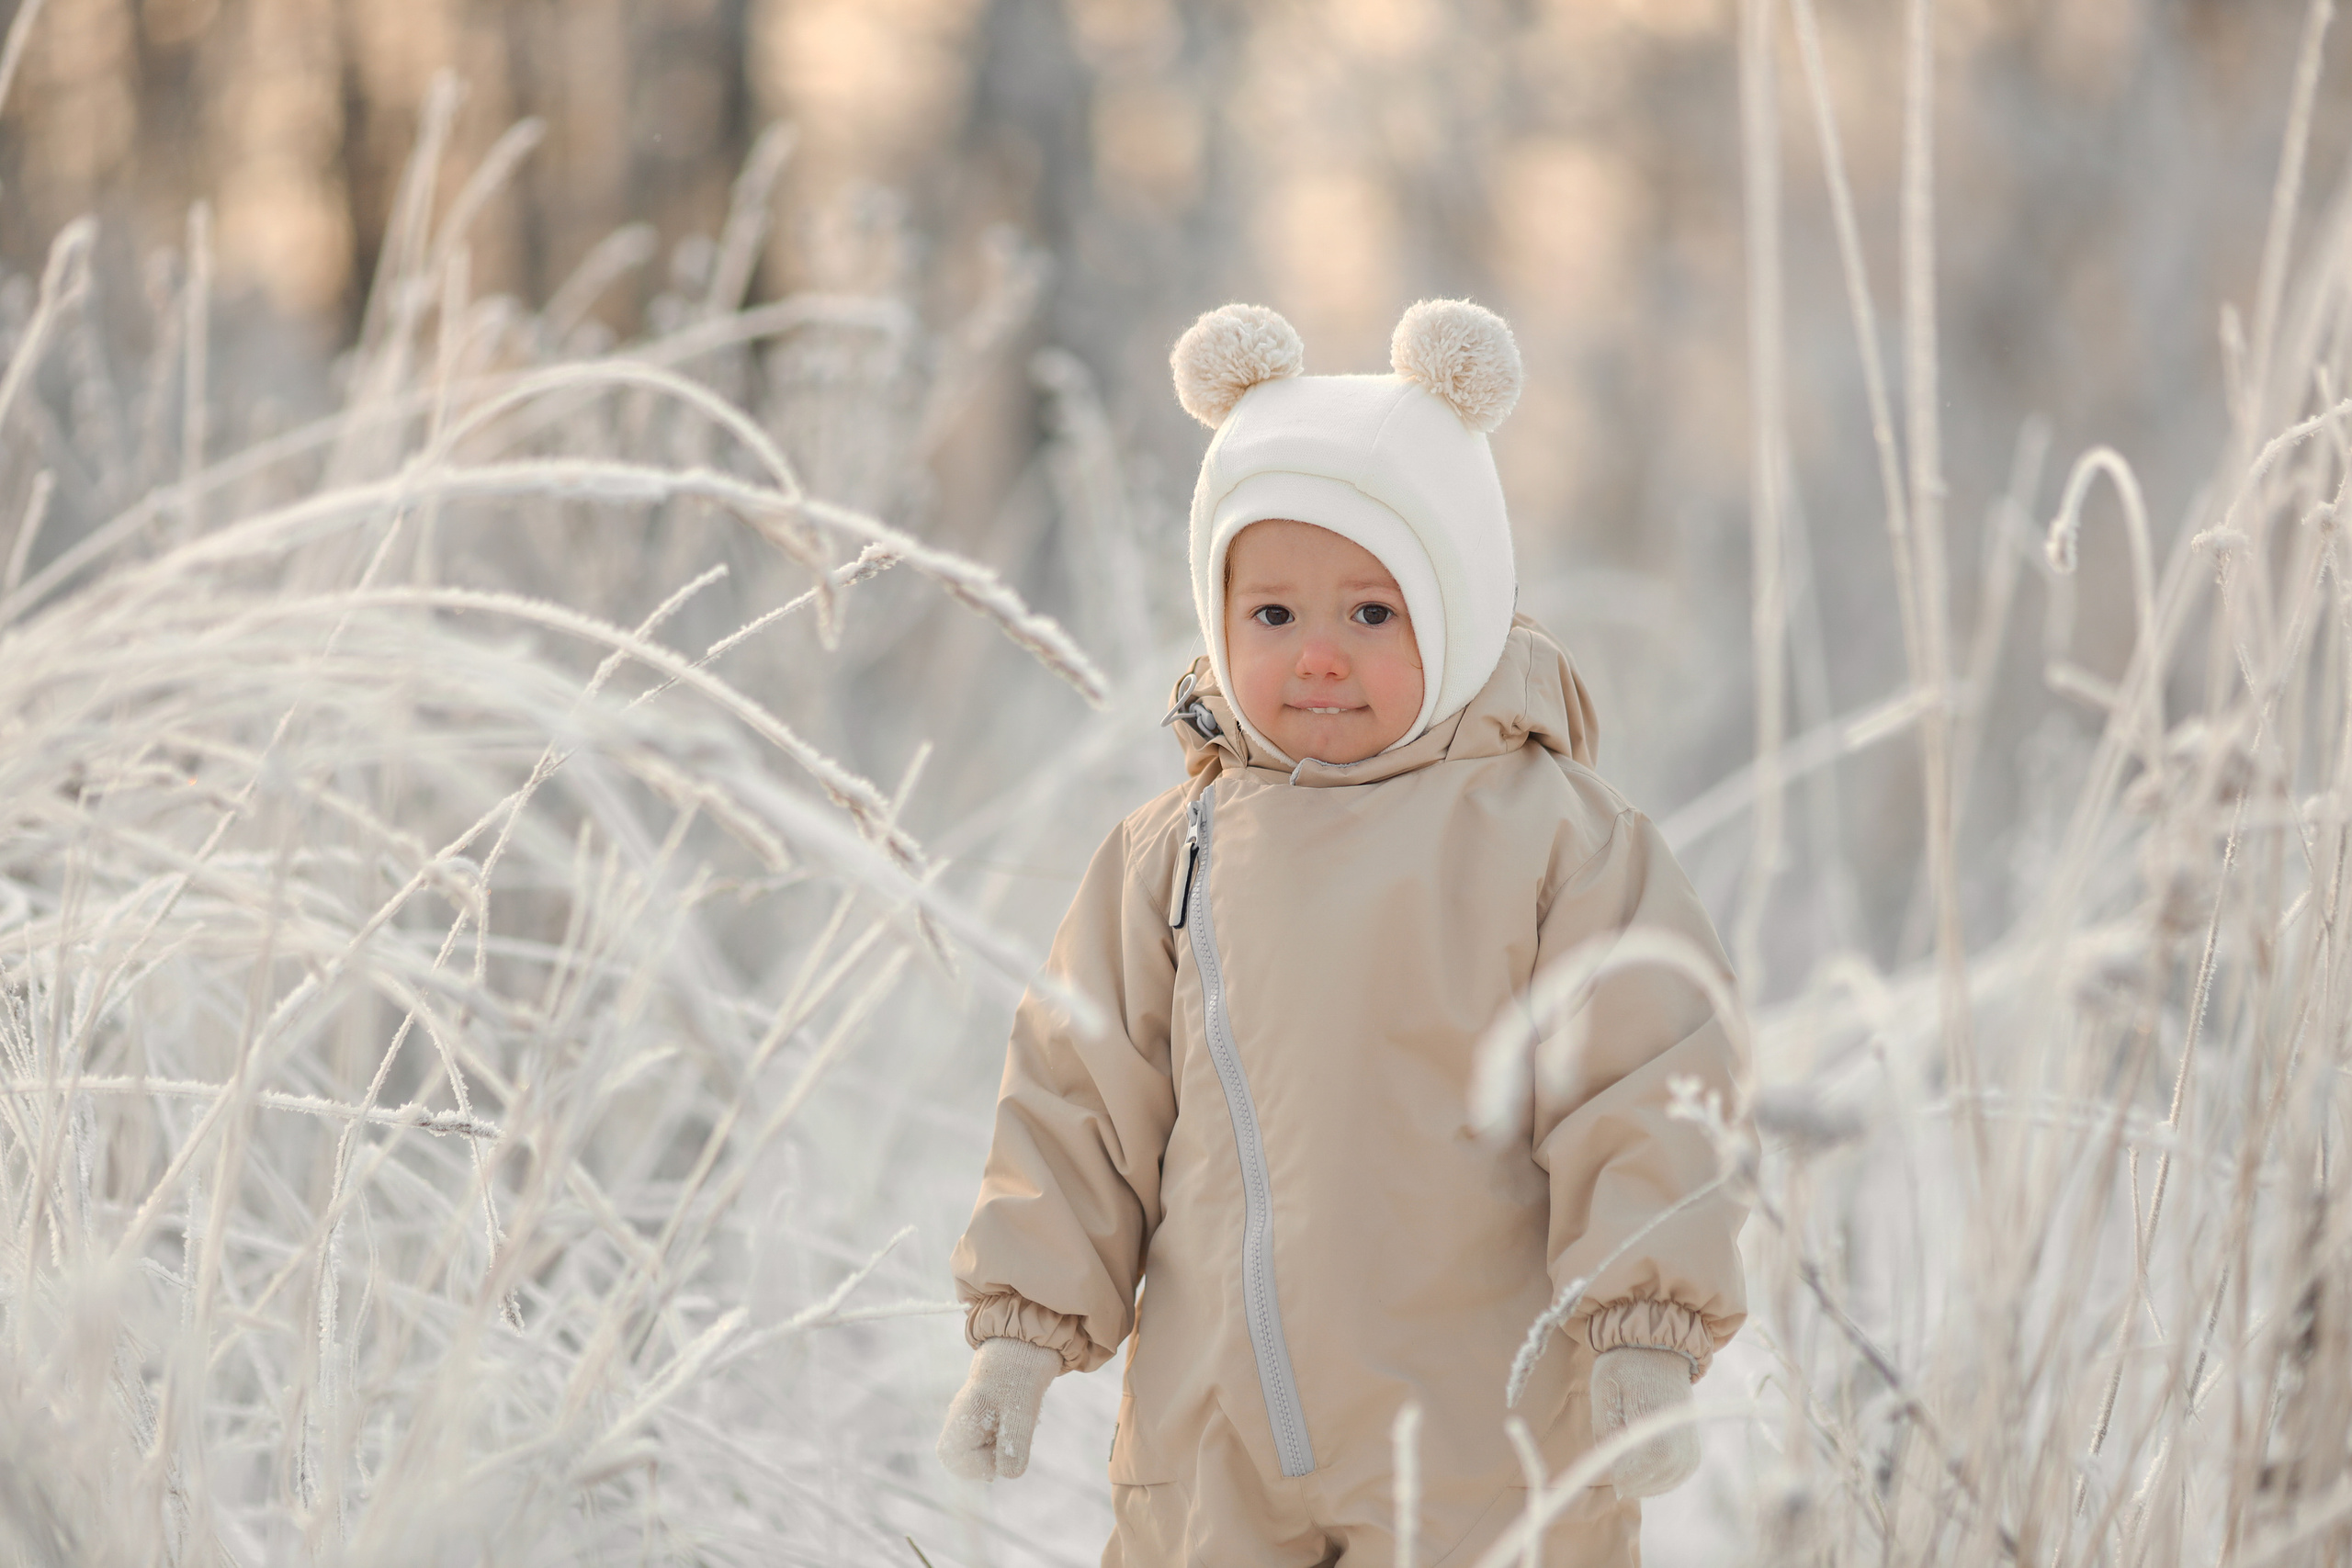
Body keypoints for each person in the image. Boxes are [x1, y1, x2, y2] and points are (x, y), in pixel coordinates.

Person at [935, 299, 1749, 1566]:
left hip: (1485, 1435)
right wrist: (1020, 1332)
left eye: (1372, 614)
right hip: (1212, 1442)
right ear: (1218, 618)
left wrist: (1643, 1323)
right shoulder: (1173, 856)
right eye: (1272, 617)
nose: (1318, 657)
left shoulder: (1555, 840)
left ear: (1462, 604)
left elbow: (1647, 1076)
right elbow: (1078, 1097)